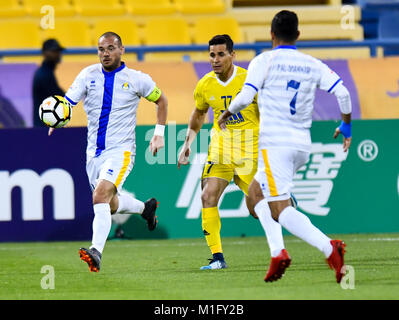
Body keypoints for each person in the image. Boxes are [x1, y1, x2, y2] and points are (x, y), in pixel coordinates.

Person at [218, 10, 352, 283]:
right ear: (298, 35)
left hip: (275, 144)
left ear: (271, 34)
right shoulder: (311, 63)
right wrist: (347, 126)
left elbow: (245, 97)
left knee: (280, 208)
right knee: (254, 197)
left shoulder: (264, 61)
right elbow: (343, 93)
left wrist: (227, 112)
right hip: (302, 144)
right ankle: (277, 252)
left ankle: (329, 247)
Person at [48, 32, 168, 272]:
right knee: (110, 204)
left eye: (111, 48)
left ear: (121, 49)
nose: (105, 53)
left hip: (121, 151)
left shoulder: (137, 79)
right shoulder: (87, 75)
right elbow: (67, 103)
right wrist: (56, 118)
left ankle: (96, 251)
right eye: (101, 49)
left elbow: (161, 101)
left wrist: (159, 134)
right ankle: (146, 209)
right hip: (93, 154)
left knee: (100, 196)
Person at [178, 34, 295, 271]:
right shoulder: (205, 84)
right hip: (221, 151)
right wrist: (187, 143)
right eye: (212, 54)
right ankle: (217, 258)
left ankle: (286, 202)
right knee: (207, 195)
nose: (216, 59)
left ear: (233, 55)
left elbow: (269, 111)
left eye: (221, 54)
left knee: (259, 209)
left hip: (251, 151)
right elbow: (199, 114)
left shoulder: (249, 80)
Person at [32, 39, 65, 127]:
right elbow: (58, 97)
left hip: (46, 125)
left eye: (58, 51)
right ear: (45, 53)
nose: (58, 54)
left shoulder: (47, 72)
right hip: (44, 128)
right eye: (54, 51)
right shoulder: (44, 74)